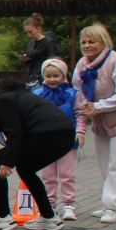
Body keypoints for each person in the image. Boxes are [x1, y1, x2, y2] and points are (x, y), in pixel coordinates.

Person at [0, 76, 74, 230]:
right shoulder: (11, 94)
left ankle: (3, 217)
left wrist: (7, 161)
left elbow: (14, 132)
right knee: (26, 169)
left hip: (48, 134)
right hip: (63, 135)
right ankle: (49, 217)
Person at [73, 23, 116, 224]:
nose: (87, 46)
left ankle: (112, 205)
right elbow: (78, 91)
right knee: (105, 165)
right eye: (84, 42)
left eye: (92, 41)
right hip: (99, 124)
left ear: (103, 42)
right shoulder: (82, 64)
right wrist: (85, 111)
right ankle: (115, 203)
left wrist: (98, 106)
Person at [30, 56, 81, 221]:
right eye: (48, 76)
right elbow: (32, 115)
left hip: (67, 140)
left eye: (56, 76)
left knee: (67, 174)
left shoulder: (73, 94)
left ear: (64, 76)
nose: (52, 79)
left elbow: (80, 114)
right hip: (45, 141)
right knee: (48, 175)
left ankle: (69, 204)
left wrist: (80, 132)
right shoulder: (37, 94)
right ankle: (49, 203)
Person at [20, 14, 58, 78]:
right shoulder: (31, 43)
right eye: (27, 33)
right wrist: (26, 59)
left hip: (43, 76)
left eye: (30, 32)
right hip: (32, 75)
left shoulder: (49, 42)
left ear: (39, 28)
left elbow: (52, 61)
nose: (29, 35)